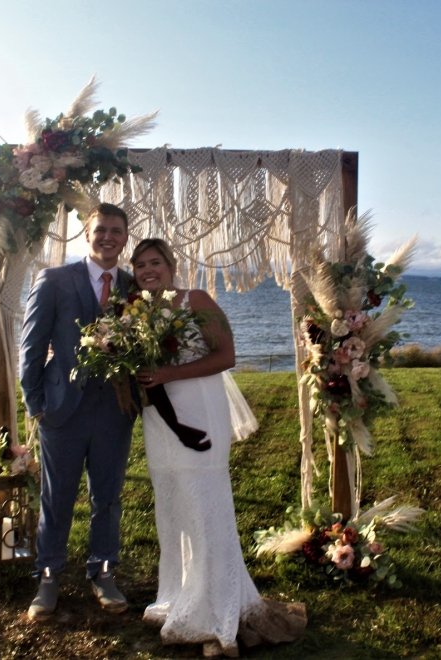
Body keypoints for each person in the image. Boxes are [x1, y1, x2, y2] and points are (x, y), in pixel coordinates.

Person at [131, 238, 306, 658]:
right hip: (160, 417)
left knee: (204, 503)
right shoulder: (137, 314)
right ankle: (178, 596)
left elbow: (226, 355)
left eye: (155, 262)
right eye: (139, 266)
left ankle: (218, 616)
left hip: (201, 412)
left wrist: (170, 371)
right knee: (172, 506)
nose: (147, 270)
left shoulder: (198, 300)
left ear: (172, 266)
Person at [19, 203, 137, 621]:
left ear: (125, 237)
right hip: (62, 411)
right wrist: (37, 404)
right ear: (86, 235)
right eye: (100, 229)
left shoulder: (133, 287)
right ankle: (48, 578)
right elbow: (31, 347)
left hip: (114, 413)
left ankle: (103, 572)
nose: (108, 237)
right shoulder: (54, 280)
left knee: (108, 497)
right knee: (57, 498)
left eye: (116, 231)